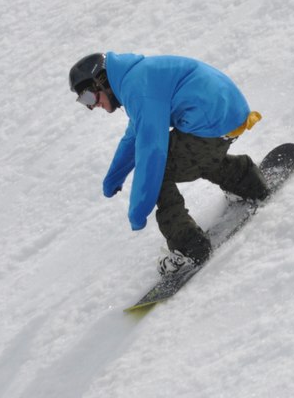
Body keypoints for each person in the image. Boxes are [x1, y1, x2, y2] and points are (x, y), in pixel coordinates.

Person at [69, 51, 269, 273]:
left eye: (89, 97)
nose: (91, 106)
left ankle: (189, 247)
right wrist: (113, 178)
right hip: (228, 114)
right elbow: (135, 134)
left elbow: (152, 151)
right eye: (83, 102)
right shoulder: (136, 78)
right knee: (191, 155)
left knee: (159, 171)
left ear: (101, 81)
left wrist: (138, 210)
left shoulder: (136, 89)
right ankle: (247, 182)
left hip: (210, 122)